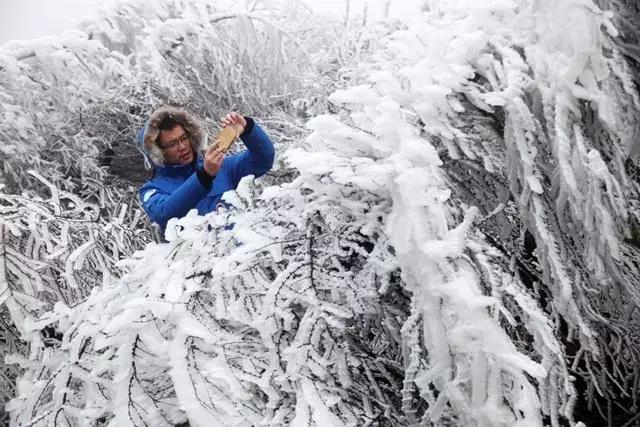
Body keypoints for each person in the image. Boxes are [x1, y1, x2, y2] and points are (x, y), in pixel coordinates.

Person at [137, 106, 275, 233]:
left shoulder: (222, 166)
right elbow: (164, 214)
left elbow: (263, 160)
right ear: (158, 152)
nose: (183, 146)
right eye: (173, 144)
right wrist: (204, 176)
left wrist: (248, 128)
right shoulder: (151, 190)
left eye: (184, 138)